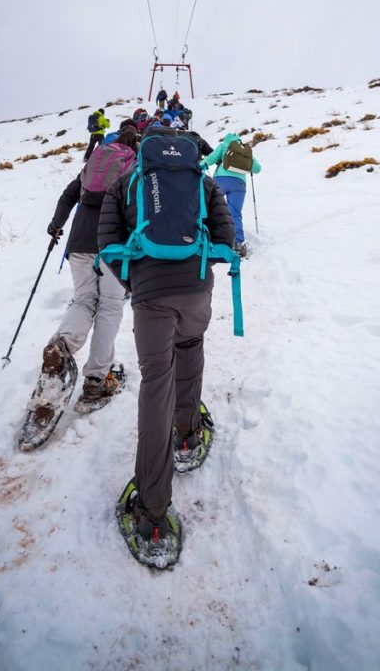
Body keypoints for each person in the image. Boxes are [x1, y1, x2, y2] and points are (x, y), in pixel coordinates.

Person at [98, 126, 235, 542]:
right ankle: (189, 434)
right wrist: (196, 275)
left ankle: (153, 510)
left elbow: (107, 245)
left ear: (143, 151)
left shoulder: (125, 184)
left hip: (150, 296)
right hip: (196, 289)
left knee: (156, 384)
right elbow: (226, 236)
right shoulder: (200, 180)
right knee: (190, 351)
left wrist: (137, 285)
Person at [39, 126, 138, 410]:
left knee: (83, 300)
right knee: (109, 305)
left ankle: (62, 347)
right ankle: (96, 381)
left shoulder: (94, 163)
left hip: (79, 241)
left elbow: (68, 195)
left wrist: (56, 224)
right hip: (112, 245)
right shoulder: (133, 165)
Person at [201, 133, 261, 257]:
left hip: (221, 180)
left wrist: (198, 166)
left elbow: (211, 159)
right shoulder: (244, 149)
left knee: (212, 209)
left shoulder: (224, 145)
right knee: (235, 213)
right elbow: (257, 168)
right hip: (239, 184)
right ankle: (238, 245)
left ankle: (210, 240)